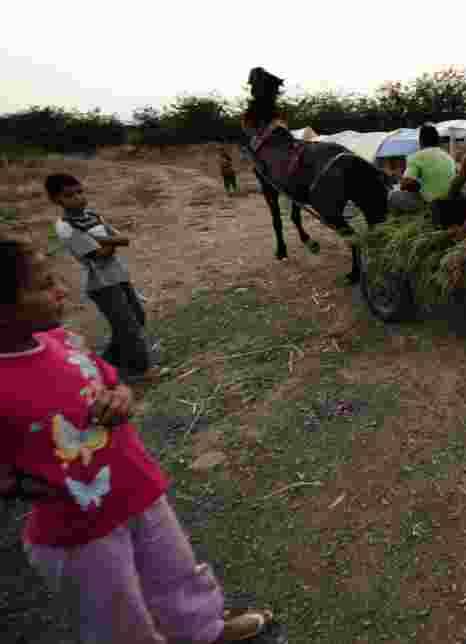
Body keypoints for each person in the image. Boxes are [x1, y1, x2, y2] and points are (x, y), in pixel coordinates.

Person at [0, 236, 274, 643]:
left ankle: (204, 631)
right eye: (42, 285)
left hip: (139, 489)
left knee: (176, 573)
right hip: (79, 530)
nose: (60, 290)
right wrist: (28, 486)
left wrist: (121, 397)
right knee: (118, 616)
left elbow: (112, 382)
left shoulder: (65, 341)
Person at [46, 173, 155, 384]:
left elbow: (123, 239)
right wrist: (114, 241)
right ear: (56, 200)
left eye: (80, 192)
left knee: (135, 318)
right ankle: (140, 369)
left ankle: (107, 363)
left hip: (118, 274)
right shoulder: (65, 226)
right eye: (70, 195)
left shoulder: (91, 216)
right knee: (128, 326)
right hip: (101, 283)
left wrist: (100, 239)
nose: (78, 198)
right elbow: (101, 254)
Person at [388, 124, 456, 213]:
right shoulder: (448, 157)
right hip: (448, 202)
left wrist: (416, 187)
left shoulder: (416, 157)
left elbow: (406, 183)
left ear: (420, 141)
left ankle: (395, 219)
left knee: (393, 195)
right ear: (438, 140)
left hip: (428, 204)